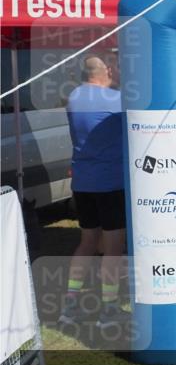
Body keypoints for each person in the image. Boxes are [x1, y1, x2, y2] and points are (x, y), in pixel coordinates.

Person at [59, 56, 127, 329]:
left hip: (83, 182)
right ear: (108, 70)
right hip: (110, 183)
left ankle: (70, 306)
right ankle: (109, 309)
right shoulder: (115, 100)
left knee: (87, 243)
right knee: (113, 250)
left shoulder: (74, 96)